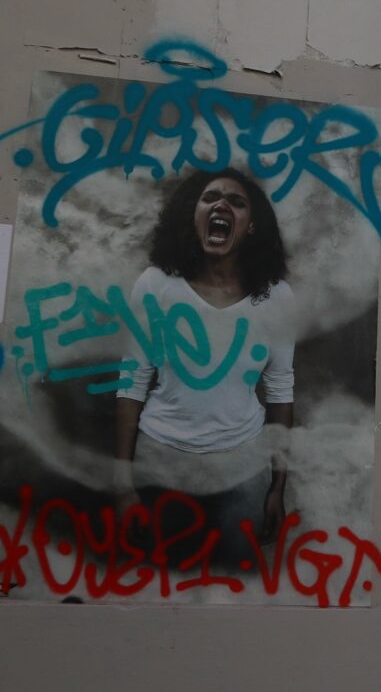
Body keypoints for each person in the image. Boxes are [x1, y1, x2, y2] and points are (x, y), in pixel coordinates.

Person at [114, 167, 297, 570]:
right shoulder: (156, 285)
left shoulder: (277, 298)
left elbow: (281, 393)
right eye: (210, 198)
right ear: (193, 216)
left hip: (242, 471)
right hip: (160, 465)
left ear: (251, 226)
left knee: (236, 598)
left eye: (236, 202)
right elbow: (132, 383)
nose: (221, 205)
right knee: (159, 590)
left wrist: (277, 487)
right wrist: (123, 485)